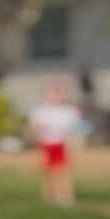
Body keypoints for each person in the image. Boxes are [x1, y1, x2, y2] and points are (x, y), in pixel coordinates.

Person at [29, 79, 84, 208]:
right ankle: (48, 195)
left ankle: (65, 194)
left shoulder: (69, 111)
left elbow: (76, 129)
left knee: (63, 170)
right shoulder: (40, 111)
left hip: (62, 143)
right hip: (46, 143)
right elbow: (34, 127)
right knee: (48, 171)